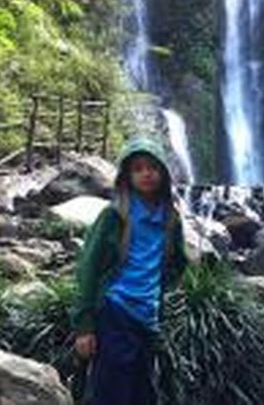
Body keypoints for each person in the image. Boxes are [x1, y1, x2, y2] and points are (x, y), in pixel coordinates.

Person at [72, 137, 188, 405]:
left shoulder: (170, 218)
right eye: (138, 168)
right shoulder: (114, 216)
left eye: (152, 167)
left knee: (141, 391)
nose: (146, 174)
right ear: (127, 176)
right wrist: (84, 325)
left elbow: (178, 262)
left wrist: (162, 289)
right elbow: (88, 268)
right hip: (115, 311)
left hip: (147, 316)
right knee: (111, 392)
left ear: (163, 173)